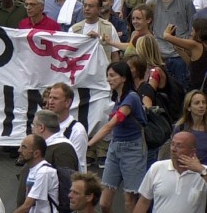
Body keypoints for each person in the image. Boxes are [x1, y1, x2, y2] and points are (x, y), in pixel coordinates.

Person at [86, 61, 147, 212]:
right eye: (108, 75)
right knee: (104, 202)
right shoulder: (118, 99)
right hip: (115, 148)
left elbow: (109, 126)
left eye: (112, 75)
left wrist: (87, 145)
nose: (109, 79)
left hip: (132, 150)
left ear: (124, 78)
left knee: (129, 202)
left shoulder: (131, 98)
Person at [134, 131, 207, 212]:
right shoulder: (157, 168)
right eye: (172, 144)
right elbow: (143, 202)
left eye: (179, 146)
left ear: (192, 151)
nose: (173, 149)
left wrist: (202, 171)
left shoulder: (203, 172)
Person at [13, 134, 57, 213]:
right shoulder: (33, 169)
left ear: (36, 153)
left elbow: (27, 206)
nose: (19, 150)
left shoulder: (44, 172)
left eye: (24, 147)